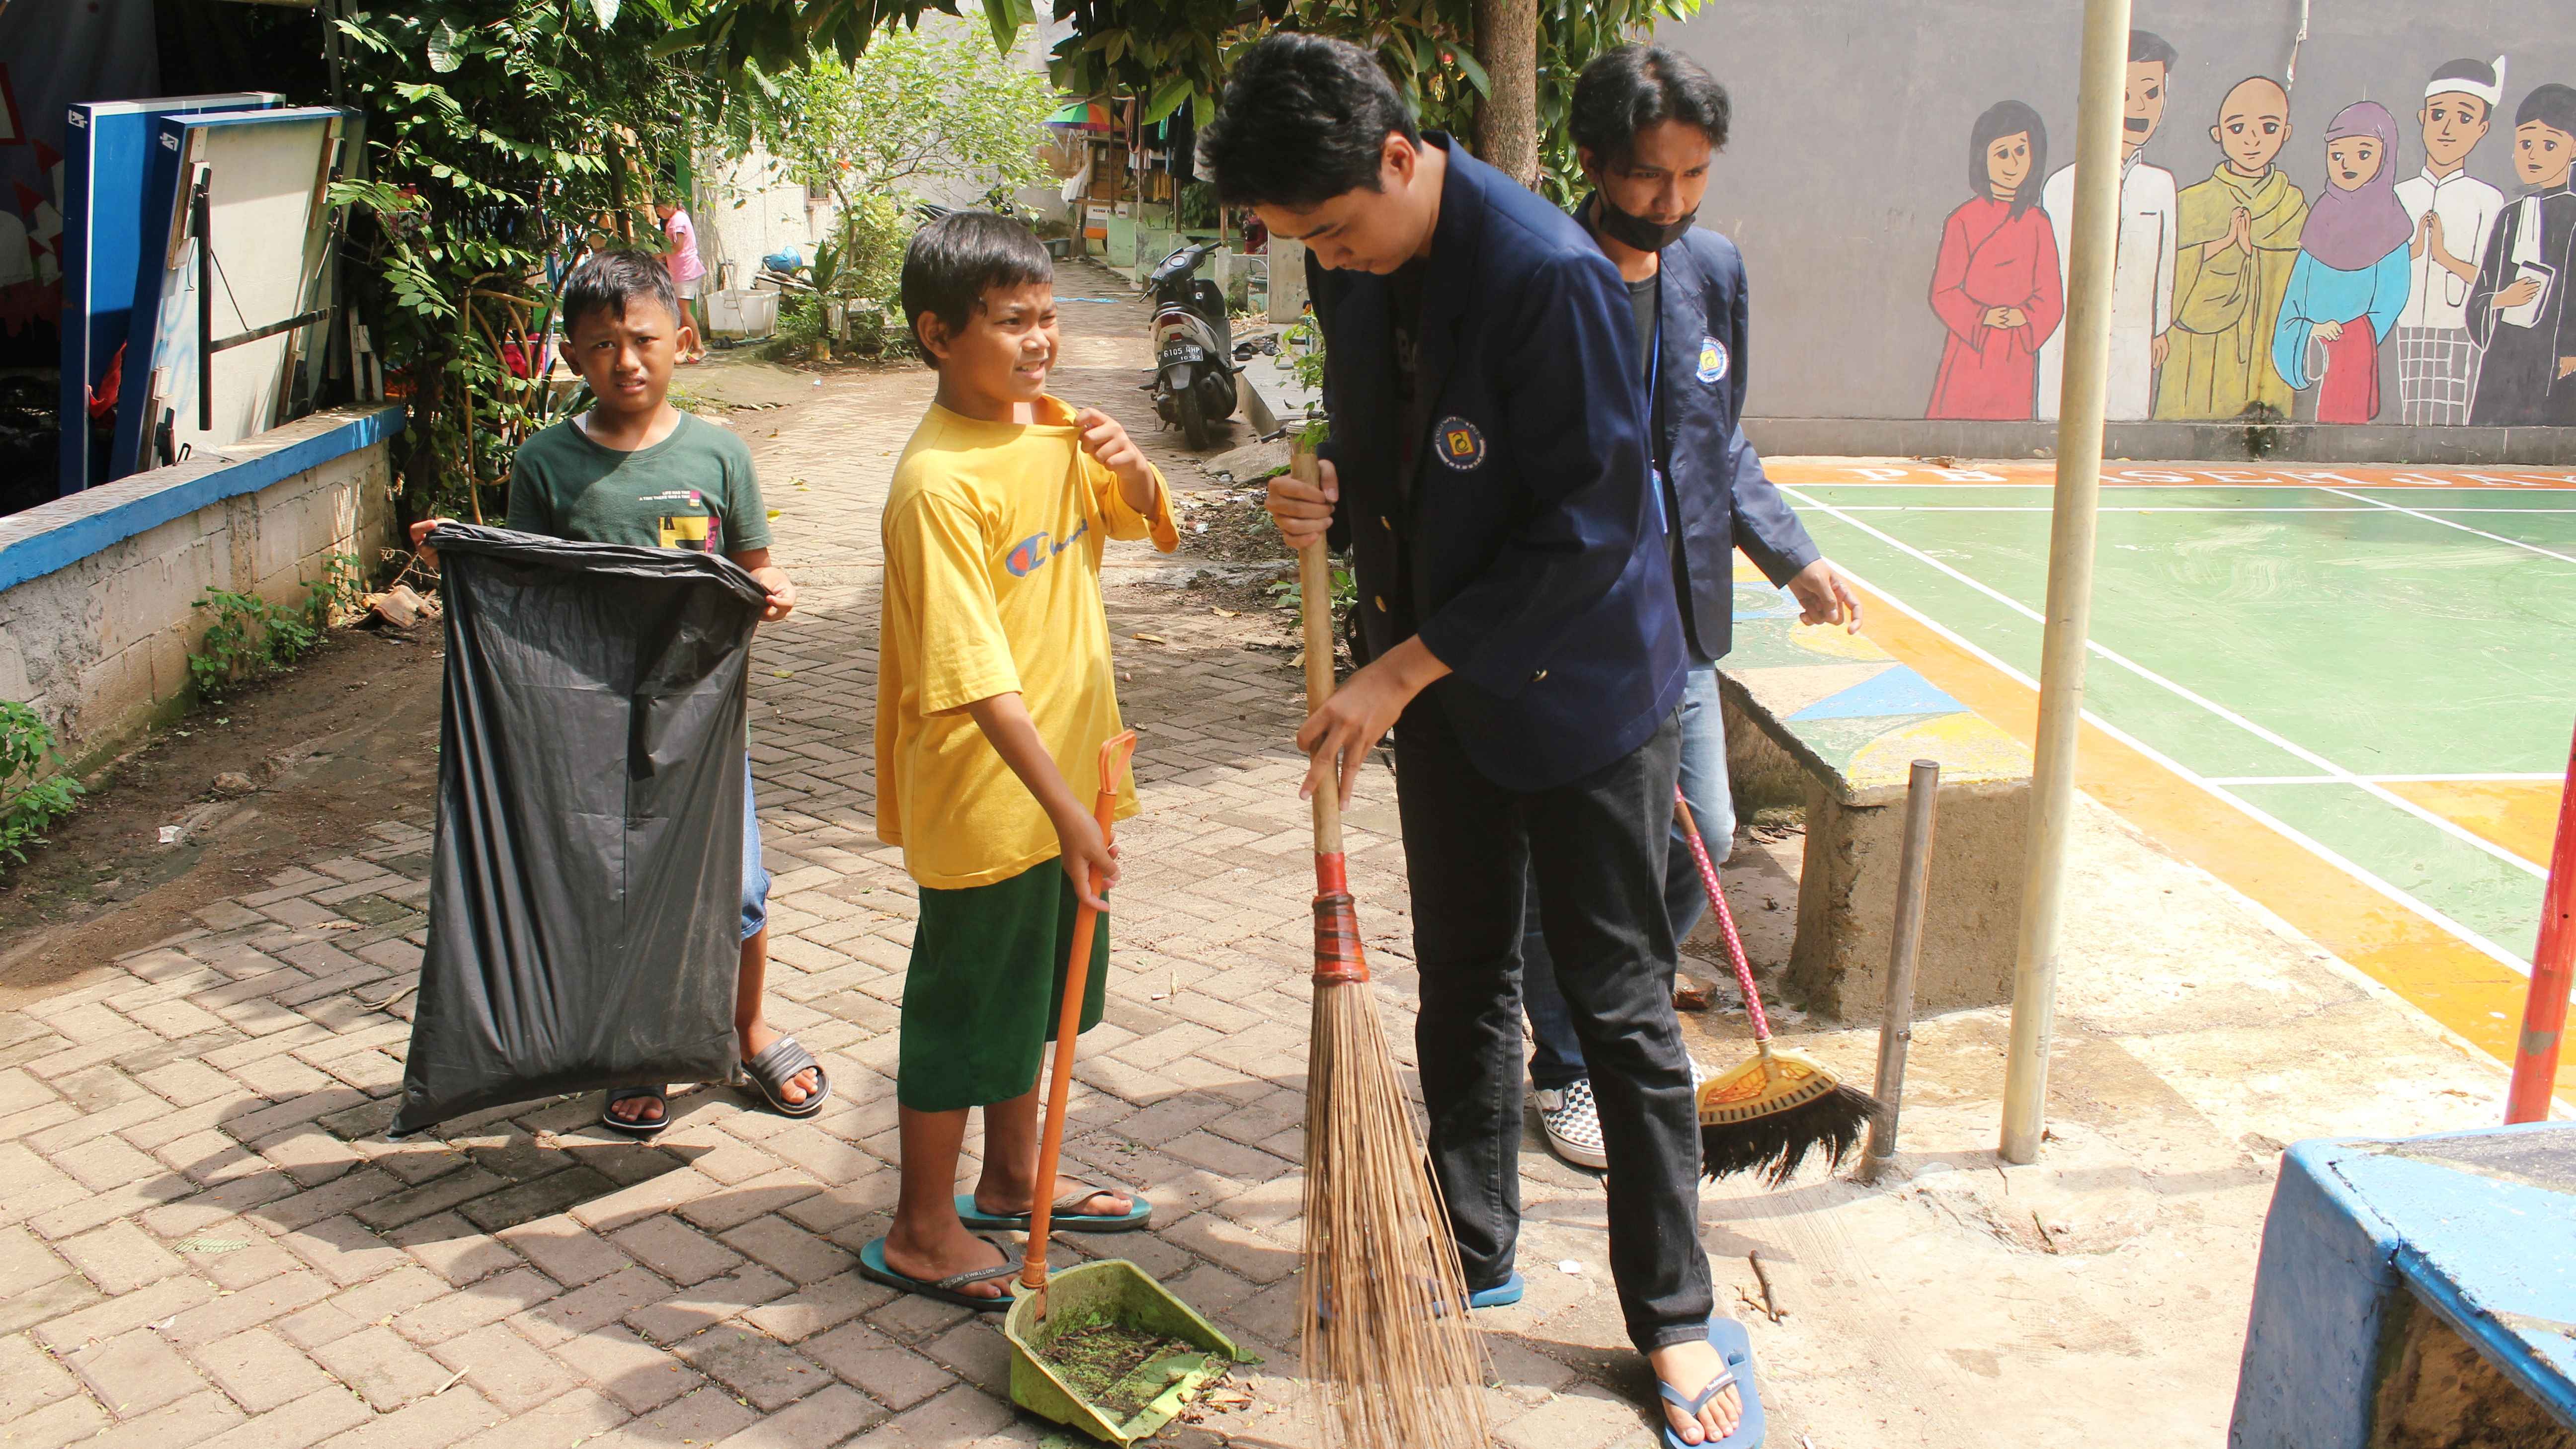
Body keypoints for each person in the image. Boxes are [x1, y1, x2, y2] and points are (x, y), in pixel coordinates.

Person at [1204, 34, 1743, 1447]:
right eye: (1303, 239)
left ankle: (1674, 1315)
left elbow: (1593, 525)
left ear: (1399, 158)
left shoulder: (1549, 278)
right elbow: (1373, 425)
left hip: (1578, 692)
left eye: (1334, 229)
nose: (1331, 258)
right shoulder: (1352, 253)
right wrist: (1324, 484)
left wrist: (1399, 668)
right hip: (1435, 680)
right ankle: (1468, 1241)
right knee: (1461, 975)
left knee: (1618, 1006)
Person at [1524, 45, 1860, 1180]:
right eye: (1646, 179)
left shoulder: (1712, 269)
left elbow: (1718, 442)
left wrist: (1791, 556)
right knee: (1569, 856)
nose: (1670, 204)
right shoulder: (1540, 273)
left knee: (1702, 830)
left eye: (1692, 175)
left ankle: (1612, 991)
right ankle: (1565, 1062)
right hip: (1565, 629)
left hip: (1678, 620)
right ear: (1591, 162)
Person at [406, 250, 824, 1135]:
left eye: (641, 340)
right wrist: (461, 550)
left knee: (738, 887)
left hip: (701, 719)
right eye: (600, 346)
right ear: (571, 356)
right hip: (583, 721)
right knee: (614, 886)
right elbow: (529, 583)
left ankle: (746, 1028)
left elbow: (753, 565)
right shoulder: (547, 462)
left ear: (683, 339)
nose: (625, 362)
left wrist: (774, 586)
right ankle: (639, 1054)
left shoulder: (718, 454)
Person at [861, 212, 1178, 1308]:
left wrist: (1133, 472)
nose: (1040, 342)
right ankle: (918, 1225)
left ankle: (1008, 1178)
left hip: (1068, 789)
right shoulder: (937, 484)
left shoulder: (1049, 427)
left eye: (1050, 319)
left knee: (1040, 998)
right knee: (963, 1011)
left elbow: (1131, 522)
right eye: (1012, 322)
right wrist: (1063, 811)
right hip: (993, 799)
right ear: (938, 333)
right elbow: (973, 675)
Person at [2037, 29, 2179, 421]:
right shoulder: (2063, 186)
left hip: (2135, 332)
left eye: (2152, 94)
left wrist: (2160, 327)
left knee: (2127, 418)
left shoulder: (2161, 185)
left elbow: (2165, 265)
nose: (2139, 107)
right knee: (2062, 418)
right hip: (2069, 333)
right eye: (2124, 93)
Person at [2156, 76, 2308, 421]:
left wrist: (2255, 256)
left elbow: (2302, 285)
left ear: (2286, 133)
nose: (2252, 140)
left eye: (2268, 127)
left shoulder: (2292, 205)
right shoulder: (2191, 203)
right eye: (2237, 128)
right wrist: (2218, 249)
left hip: (2266, 345)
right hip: (2202, 353)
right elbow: (2165, 280)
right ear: (2218, 134)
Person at [2273, 101, 2414, 423]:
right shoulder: (2320, 220)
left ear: (2385, 156)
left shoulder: (2391, 225)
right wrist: (2311, 332)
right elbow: (2294, 301)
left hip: (2365, 358)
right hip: (2313, 355)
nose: (2347, 164)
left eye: (2363, 154)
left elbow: (2393, 297)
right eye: (2337, 155)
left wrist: (2350, 340)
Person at [1926, 99, 2064, 418]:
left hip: (2016, 352)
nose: (2012, 163)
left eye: (2020, 151)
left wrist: (2023, 317)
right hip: (1971, 348)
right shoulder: (1962, 220)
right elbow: (1944, 292)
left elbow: (2051, 296)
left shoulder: (2039, 223)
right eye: (2001, 154)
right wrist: (1983, 317)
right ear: (1983, 159)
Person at [2395, 58, 2509, 425]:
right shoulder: (2399, 195)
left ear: (2482, 129)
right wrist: (2412, 254)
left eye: (2463, 118)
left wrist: (2443, 257)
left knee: (2447, 417)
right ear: (2422, 117)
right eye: (2438, 114)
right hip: (2403, 324)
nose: (2447, 128)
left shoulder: (2487, 199)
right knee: (2403, 413)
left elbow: (2490, 277)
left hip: (2457, 328)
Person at [2466, 82, 2576, 427]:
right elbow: (2484, 288)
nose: (2534, 155)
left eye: (2549, 145)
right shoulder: (2510, 216)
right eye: (2526, 143)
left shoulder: (2573, 215)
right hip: (2505, 351)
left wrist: (2570, 348)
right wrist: (2501, 299)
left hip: (2552, 351)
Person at [655, 195, 710, 365]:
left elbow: (678, 246)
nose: (658, 213)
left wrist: (659, 256)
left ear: (670, 205)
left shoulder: (678, 219)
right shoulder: (676, 218)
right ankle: (683, 347)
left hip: (686, 271)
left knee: (683, 311)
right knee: (679, 311)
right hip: (680, 272)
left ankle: (699, 348)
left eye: (659, 209)